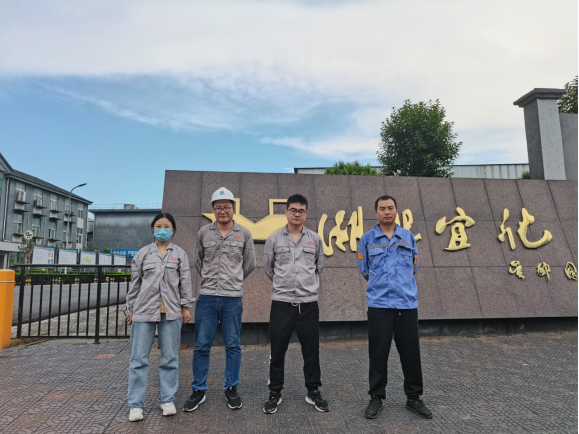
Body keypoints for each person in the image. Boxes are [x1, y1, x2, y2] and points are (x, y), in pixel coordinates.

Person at [357, 195, 432, 420]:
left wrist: (401, 285)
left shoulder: (407, 236)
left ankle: (414, 397)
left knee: (410, 352)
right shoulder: (367, 238)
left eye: (390, 208)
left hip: (406, 304)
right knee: (378, 353)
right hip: (379, 304)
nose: (387, 211)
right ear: (376, 212)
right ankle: (376, 397)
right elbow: (364, 269)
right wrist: (382, 286)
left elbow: (414, 265)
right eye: (382, 208)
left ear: (396, 210)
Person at [183, 187, 256, 412]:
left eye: (226, 207)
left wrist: (233, 280)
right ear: (213, 210)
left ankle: (231, 388)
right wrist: (210, 280)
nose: (222, 211)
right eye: (218, 208)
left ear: (233, 208)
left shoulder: (244, 233)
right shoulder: (203, 233)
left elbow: (249, 264)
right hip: (206, 297)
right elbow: (198, 261)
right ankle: (198, 389)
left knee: (233, 345)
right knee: (201, 345)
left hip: (232, 298)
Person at [262, 194, 329, 414]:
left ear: (306, 213)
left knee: (311, 349)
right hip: (281, 303)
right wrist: (284, 285)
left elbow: (319, 266)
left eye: (301, 211)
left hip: (308, 304)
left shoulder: (315, 239)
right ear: (286, 212)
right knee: (277, 349)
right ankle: (275, 392)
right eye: (293, 210)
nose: (297, 214)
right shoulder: (274, 239)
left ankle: (313, 391)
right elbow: (269, 268)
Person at [125, 213, 194, 422]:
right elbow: (135, 284)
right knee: (138, 359)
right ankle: (136, 405)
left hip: (171, 312)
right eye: (158, 226)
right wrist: (129, 310)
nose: (162, 229)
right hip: (143, 311)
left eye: (166, 226)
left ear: (173, 230)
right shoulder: (143, 254)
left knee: (170, 358)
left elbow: (185, 283)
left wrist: (185, 307)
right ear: (152, 229)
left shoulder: (180, 254)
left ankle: (167, 399)